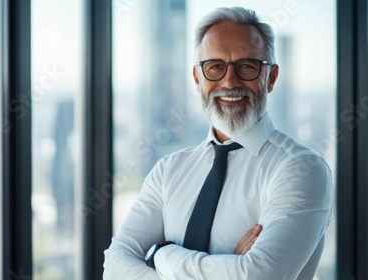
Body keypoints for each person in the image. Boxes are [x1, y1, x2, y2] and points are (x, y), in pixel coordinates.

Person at [104, 6, 332, 280]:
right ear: (197, 78)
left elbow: (259, 276)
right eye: (215, 67)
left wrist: (161, 254)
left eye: (247, 66)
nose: (229, 81)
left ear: (270, 77)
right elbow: (115, 267)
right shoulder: (168, 171)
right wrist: (227, 267)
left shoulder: (301, 169)